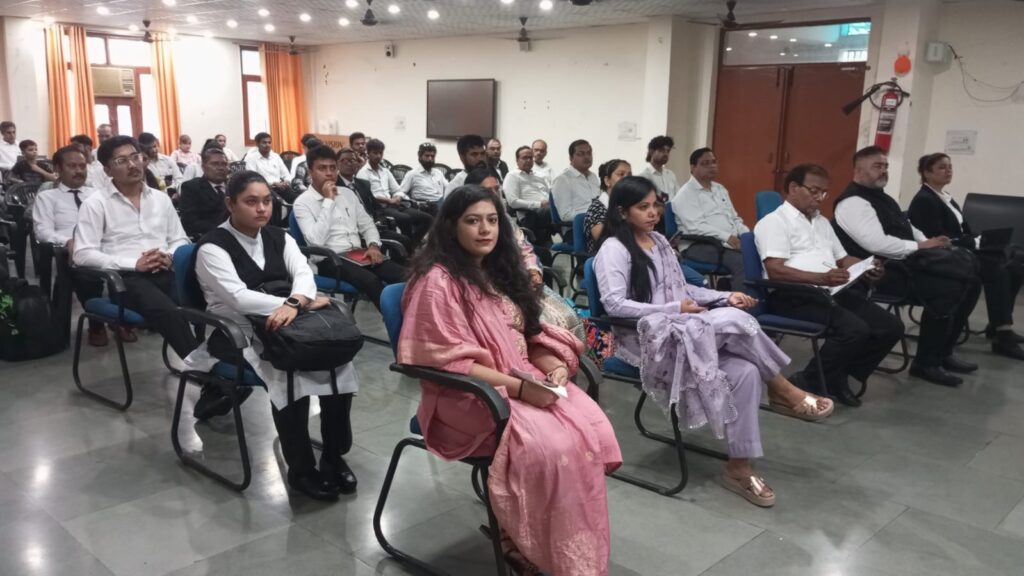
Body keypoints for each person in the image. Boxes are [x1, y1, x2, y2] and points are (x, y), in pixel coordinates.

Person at [398, 183, 622, 575]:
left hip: (521, 379)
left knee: (590, 428)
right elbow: (447, 362)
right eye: (472, 221)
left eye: (492, 220)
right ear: (451, 227)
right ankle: (520, 542)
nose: (485, 229)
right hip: (467, 396)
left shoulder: (497, 272)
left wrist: (553, 366)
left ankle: (565, 544)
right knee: (552, 446)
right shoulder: (438, 282)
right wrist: (521, 389)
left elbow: (528, 337)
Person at [595, 177, 833, 506]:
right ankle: (781, 388)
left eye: (656, 206)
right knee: (735, 320)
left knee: (747, 372)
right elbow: (614, 305)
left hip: (683, 328)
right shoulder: (613, 249)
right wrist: (674, 309)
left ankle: (739, 466)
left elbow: (684, 290)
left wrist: (723, 296)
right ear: (623, 212)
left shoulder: (659, 242)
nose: (653, 213)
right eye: (643, 207)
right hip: (646, 342)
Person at [186, 170, 359, 500]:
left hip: (290, 322)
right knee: (287, 370)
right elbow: (238, 297)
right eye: (251, 202)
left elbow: (303, 274)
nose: (262, 209)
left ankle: (333, 456)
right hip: (235, 331)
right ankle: (301, 469)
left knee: (337, 362)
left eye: (267, 201)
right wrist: (296, 303)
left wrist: (295, 303)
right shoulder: (212, 247)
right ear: (230, 204)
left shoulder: (280, 237)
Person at [73, 135, 244, 418]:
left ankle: (223, 366)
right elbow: (82, 254)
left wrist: (170, 256)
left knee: (210, 300)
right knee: (168, 311)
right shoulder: (96, 203)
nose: (133, 164)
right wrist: (134, 264)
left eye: (136, 157)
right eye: (122, 160)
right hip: (125, 279)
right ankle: (214, 380)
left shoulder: (161, 199)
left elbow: (179, 239)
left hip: (165, 270)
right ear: (107, 169)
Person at [755, 164, 905, 407]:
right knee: (854, 329)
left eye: (823, 193)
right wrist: (820, 279)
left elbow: (843, 259)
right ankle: (809, 380)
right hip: (794, 295)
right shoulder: (774, 222)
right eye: (814, 191)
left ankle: (837, 377)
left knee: (891, 327)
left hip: (830, 291)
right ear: (793, 188)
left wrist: (867, 266)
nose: (819, 198)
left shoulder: (822, 222)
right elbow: (775, 270)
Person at [833, 146, 981, 387]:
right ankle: (926, 363)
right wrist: (919, 247)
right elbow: (876, 244)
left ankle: (943, 352)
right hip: (877, 271)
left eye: (885, 166)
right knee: (946, 286)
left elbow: (908, 227)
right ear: (858, 170)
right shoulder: (853, 202)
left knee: (970, 283)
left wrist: (929, 242)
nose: (883, 171)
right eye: (877, 166)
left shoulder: (884, 198)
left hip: (904, 264)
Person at [908, 152, 1024, 360]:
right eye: (942, 167)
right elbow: (939, 237)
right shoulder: (924, 200)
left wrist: (979, 238)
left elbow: (963, 230)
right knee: (998, 270)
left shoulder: (945, 197)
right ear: (927, 173)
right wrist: (975, 242)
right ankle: (1003, 334)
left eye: (950, 167)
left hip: (962, 248)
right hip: (943, 256)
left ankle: (998, 324)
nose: (948, 171)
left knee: (1015, 264)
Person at [293, 145, 405, 310]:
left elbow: (367, 225)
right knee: (371, 282)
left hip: (358, 254)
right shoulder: (302, 203)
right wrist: (328, 201)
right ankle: (396, 322)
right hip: (330, 260)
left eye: (333, 168)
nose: (329, 173)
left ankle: (412, 319)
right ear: (310, 172)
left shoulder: (348, 194)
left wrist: (373, 245)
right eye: (322, 168)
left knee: (406, 275)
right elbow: (316, 242)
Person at [32, 145, 106, 346]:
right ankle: (97, 324)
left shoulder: (98, 194)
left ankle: (123, 318)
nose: (79, 170)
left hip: (104, 245)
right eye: (72, 166)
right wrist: (68, 241)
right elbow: (42, 231)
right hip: (70, 250)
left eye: (82, 166)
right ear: (58, 168)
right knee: (84, 272)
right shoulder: (47, 197)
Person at [671, 147, 749, 289]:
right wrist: (727, 237)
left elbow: (734, 218)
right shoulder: (686, 194)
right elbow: (696, 227)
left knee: (757, 254)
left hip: (726, 242)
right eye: (705, 163)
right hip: (700, 245)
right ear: (693, 168)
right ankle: (740, 301)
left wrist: (747, 236)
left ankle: (729, 288)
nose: (712, 166)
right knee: (743, 262)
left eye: (713, 162)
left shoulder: (720, 189)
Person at [357, 138, 431, 246]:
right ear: (368, 153)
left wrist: (397, 197)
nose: (378, 156)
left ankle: (412, 243)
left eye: (380, 153)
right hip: (379, 209)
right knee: (405, 219)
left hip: (394, 205)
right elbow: (368, 197)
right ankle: (407, 247)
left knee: (427, 218)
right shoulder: (363, 173)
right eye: (375, 153)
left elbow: (397, 189)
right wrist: (388, 200)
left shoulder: (385, 171)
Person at [502, 145, 553, 245]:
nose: (528, 160)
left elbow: (550, 192)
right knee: (556, 212)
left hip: (547, 208)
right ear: (517, 160)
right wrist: (539, 204)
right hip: (530, 213)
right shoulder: (512, 176)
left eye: (530, 157)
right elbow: (513, 202)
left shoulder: (539, 175)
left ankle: (570, 239)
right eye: (525, 158)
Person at [179, 147, 231, 238]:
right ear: (203, 167)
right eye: (215, 164)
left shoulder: (235, 186)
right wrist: (224, 230)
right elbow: (189, 222)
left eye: (224, 164)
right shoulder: (191, 187)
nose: (221, 168)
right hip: (209, 236)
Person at [584, 159, 631, 254]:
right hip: (608, 256)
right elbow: (605, 241)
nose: (627, 179)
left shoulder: (630, 203)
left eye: (629, 175)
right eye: (621, 174)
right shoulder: (597, 208)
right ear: (607, 181)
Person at [550, 139, 600, 226]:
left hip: (598, 223)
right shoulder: (562, 180)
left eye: (589, 153)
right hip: (577, 227)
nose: (587, 157)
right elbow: (565, 215)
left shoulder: (593, 177)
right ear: (571, 158)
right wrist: (593, 214)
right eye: (581, 154)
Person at [245, 132, 293, 202]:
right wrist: (272, 184)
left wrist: (286, 182)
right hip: (264, 189)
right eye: (264, 143)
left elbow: (286, 174)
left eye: (269, 142)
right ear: (257, 144)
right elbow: (253, 179)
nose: (267, 145)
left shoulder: (276, 157)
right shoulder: (251, 158)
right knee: (277, 202)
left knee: (296, 198)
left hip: (281, 187)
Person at [398, 142, 447, 211]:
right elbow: (401, 192)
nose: (430, 159)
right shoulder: (412, 174)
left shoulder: (438, 173)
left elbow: (448, 188)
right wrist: (411, 202)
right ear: (420, 156)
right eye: (427, 156)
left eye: (432, 156)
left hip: (440, 203)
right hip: (424, 206)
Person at [640, 135, 678, 203]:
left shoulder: (670, 174)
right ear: (652, 152)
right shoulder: (644, 177)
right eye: (662, 150)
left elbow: (678, 197)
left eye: (668, 151)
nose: (666, 154)